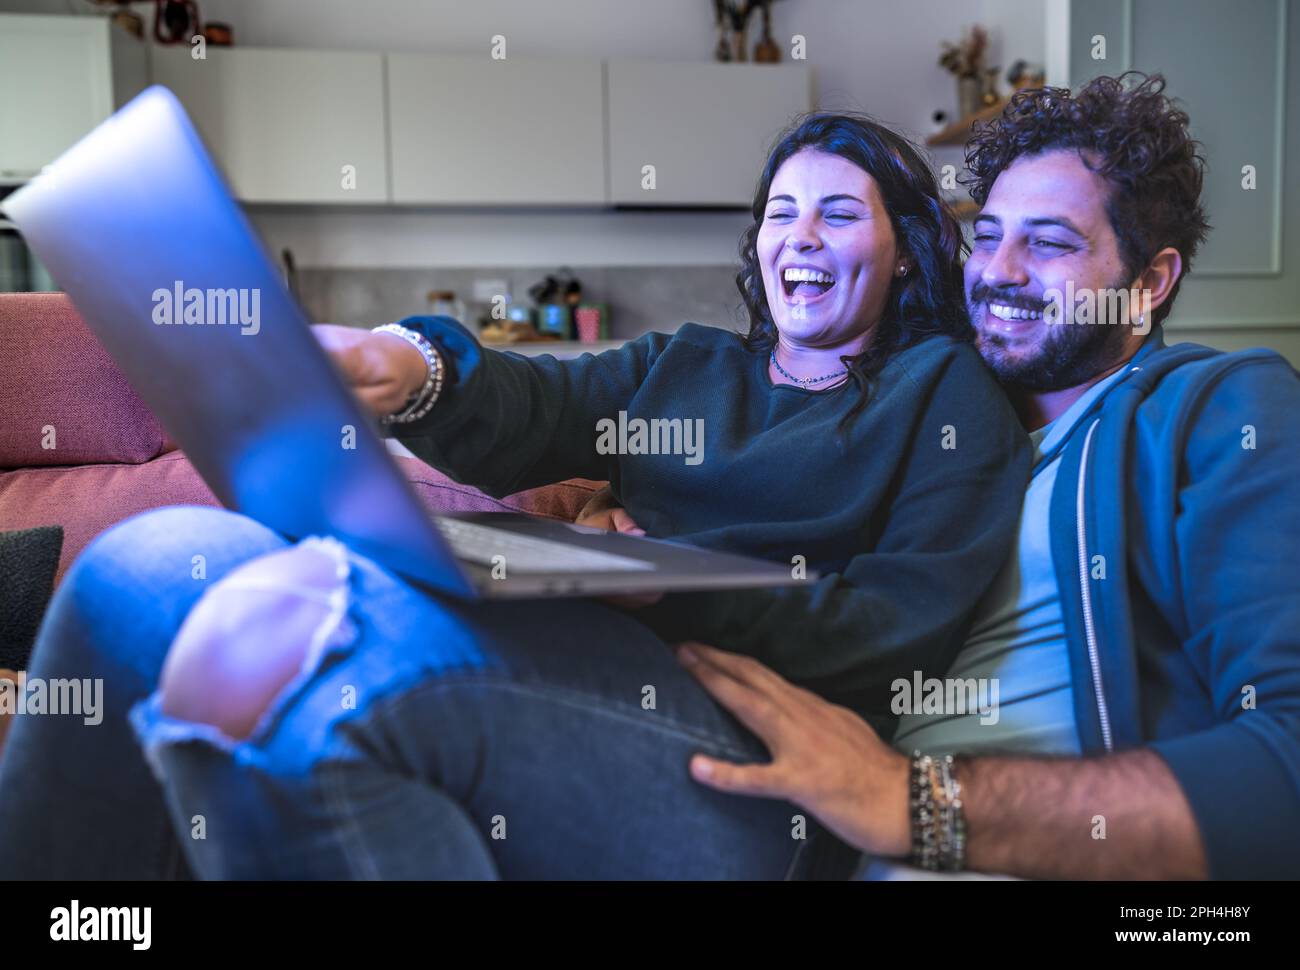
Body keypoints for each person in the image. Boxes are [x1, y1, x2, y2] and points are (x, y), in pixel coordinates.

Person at [0, 113, 1029, 879]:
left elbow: (896, 627)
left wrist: (665, 590)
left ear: (905, 254)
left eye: (839, 215)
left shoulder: (946, 396)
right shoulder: (690, 366)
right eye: (779, 213)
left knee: (291, 677)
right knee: (144, 567)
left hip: (750, 750)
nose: (798, 237)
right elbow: (542, 399)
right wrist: (413, 364)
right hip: (589, 649)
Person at [588, 72, 1300, 880]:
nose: (998, 271)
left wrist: (914, 801)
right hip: (791, 806)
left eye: (1051, 242)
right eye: (987, 234)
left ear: (1149, 283)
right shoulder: (930, 399)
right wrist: (618, 498)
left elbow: (1287, 762)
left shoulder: (1220, 412)